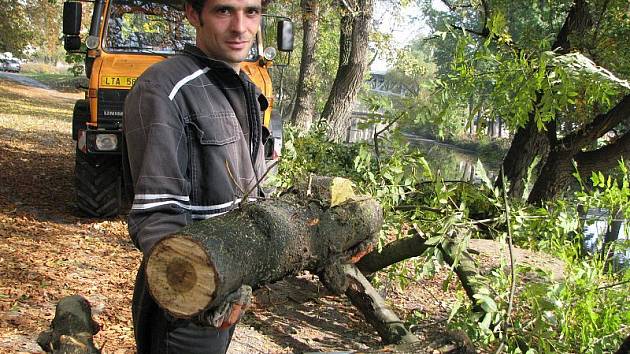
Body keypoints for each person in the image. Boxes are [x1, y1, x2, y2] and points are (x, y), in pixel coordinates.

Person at [122, 0, 267, 351]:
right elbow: (157, 216)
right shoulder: (164, 88)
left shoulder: (242, 85)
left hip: (229, 286)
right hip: (187, 303)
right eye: (223, 11)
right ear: (193, 13)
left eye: (251, 12)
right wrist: (198, 298)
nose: (240, 27)